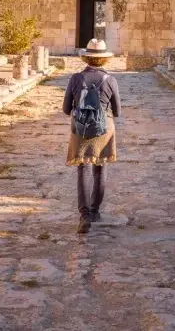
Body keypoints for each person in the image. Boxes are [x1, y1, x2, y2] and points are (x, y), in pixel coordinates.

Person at [62, 39, 121, 234]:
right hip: (103, 128)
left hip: (80, 129)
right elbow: (117, 111)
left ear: (87, 57)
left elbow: (65, 109)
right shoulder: (110, 80)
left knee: (83, 169)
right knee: (100, 169)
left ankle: (84, 215)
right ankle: (95, 211)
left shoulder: (75, 78)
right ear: (104, 59)